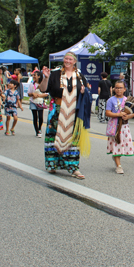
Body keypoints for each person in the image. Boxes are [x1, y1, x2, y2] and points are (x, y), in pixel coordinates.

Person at [39, 51, 91, 180]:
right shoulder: (55, 74)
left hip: (74, 111)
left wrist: (85, 91)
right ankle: (52, 164)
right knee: (53, 137)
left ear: (74, 61)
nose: (67, 61)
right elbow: (43, 89)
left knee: (73, 139)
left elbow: (87, 91)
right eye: (65, 59)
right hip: (57, 109)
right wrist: (45, 77)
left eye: (70, 59)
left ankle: (73, 168)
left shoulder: (79, 76)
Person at [106, 80, 134, 174]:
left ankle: (116, 158)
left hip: (124, 127)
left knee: (122, 145)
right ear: (114, 89)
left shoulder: (127, 100)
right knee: (117, 144)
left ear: (124, 89)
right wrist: (119, 114)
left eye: (120, 88)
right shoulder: (110, 100)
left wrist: (127, 116)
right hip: (114, 127)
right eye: (117, 88)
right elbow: (107, 113)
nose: (118, 90)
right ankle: (118, 165)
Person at [28, 71, 49, 137]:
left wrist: (38, 95)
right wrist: (32, 94)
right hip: (33, 102)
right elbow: (29, 93)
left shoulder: (43, 84)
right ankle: (37, 131)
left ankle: (40, 128)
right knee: (35, 117)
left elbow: (46, 94)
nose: (34, 76)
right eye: (33, 75)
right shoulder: (32, 84)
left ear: (39, 76)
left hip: (40, 102)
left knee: (40, 117)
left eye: (35, 75)